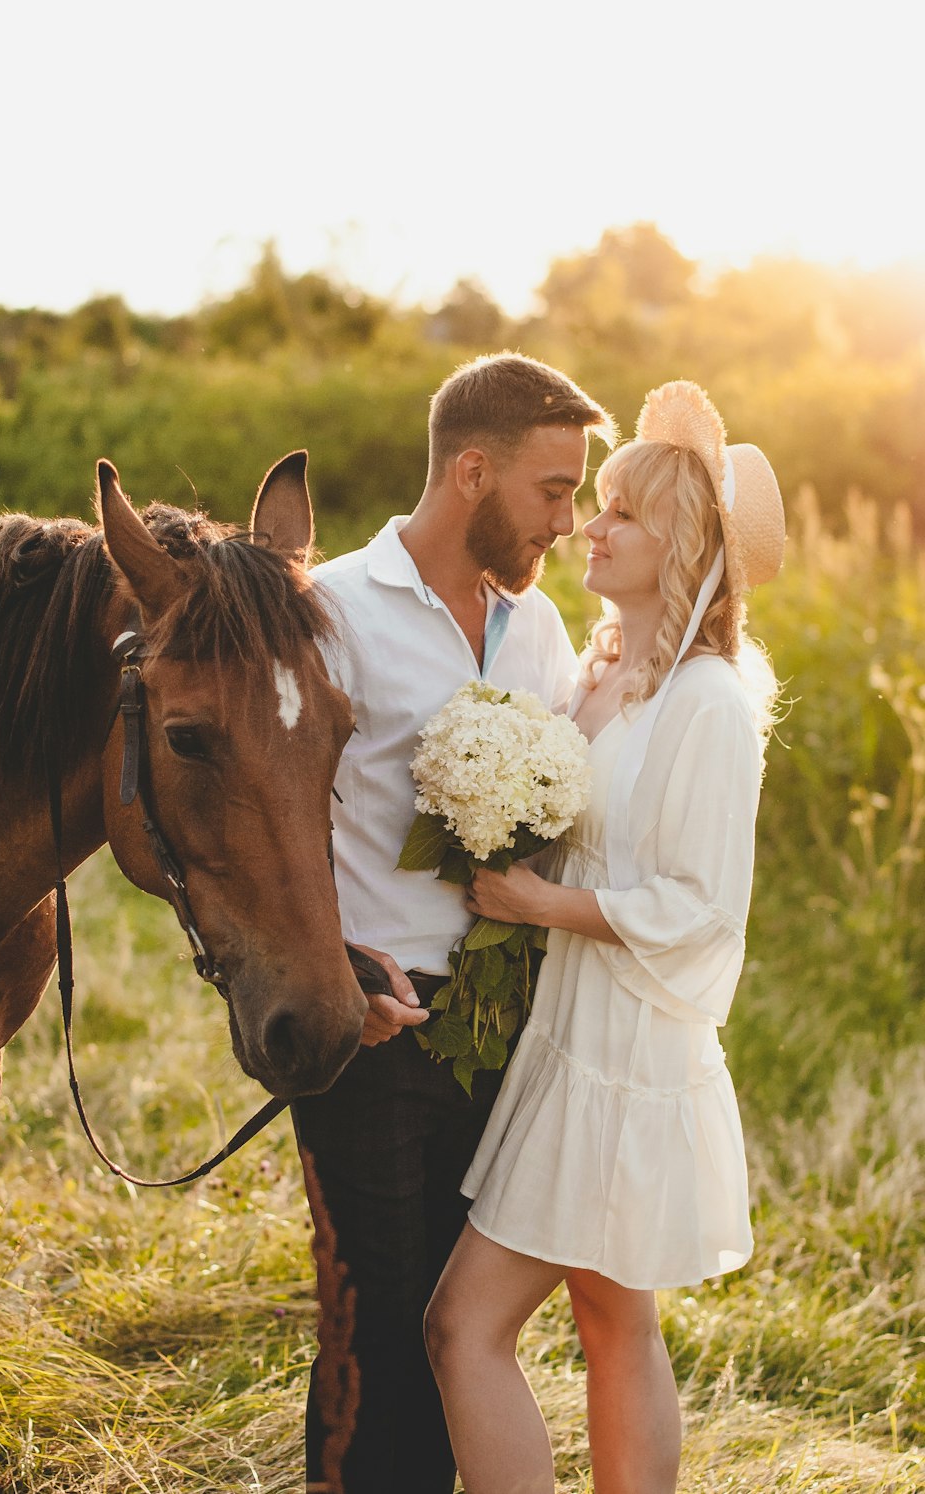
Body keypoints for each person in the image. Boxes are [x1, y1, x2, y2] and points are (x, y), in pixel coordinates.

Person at [423, 380, 786, 1494]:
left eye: (621, 511)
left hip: (625, 1054)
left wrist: (539, 907)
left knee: (460, 1329)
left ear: (676, 541)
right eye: (597, 504)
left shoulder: (710, 704)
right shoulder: (605, 679)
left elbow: (699, 907)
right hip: (569, 1032)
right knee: (612, 1320)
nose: (590, 525)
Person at [292, 353, 616, 1494]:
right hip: (372, 1025)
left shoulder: (537, 631)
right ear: (470, 472)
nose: (568, 523)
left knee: (460, 1330)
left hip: (501, 1034)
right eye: (552, 490)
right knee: (373, 1326)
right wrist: (335, 969)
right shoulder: (328, 608)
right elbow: (271, 824)